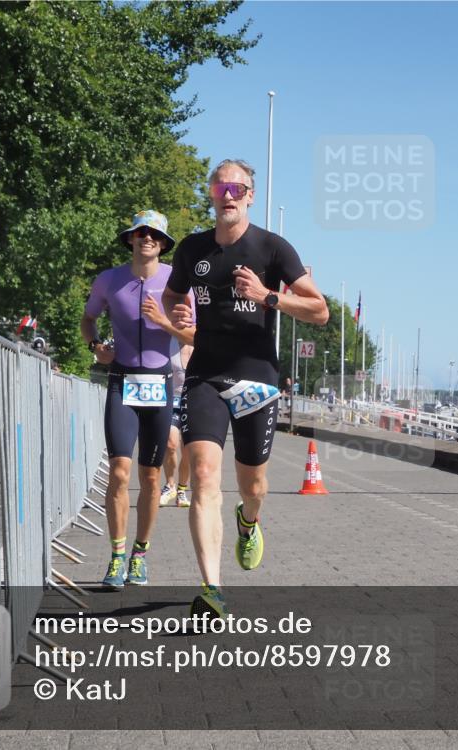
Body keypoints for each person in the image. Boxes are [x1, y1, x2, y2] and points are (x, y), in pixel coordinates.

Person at [162, 159, 328, 618]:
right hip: (205, 373)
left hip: (256, 376)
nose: (228, 195)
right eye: (221, 187)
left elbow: (319, 311)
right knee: (203, 474)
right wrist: (177, 311)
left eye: (237, 188)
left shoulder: (273, 248)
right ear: (211, 194)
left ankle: (249, 520)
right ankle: (211, 589)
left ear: (251, 196)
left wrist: (268, 296)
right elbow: (172, 296)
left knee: (252, 484)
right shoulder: (193, 249)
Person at [82, 210, 195, 589]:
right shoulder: (109, 280)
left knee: (150, 476)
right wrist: (96, 346)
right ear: (130, 238)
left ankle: (140, 554)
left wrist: (163, 321)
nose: (147, 238)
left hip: (159, 384)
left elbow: (195, 336)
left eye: (154, 234)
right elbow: (88, 319)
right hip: (122, 380)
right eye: (140, 232)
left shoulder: (177, 284)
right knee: (118, 471)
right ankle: (116, 555)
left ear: (163, 244)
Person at [159, 323, 194, 508]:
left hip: (194, 400)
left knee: (187, 450)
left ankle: (182, 489)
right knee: (170, 444)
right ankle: (170, 484)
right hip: (173, 399)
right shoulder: (169, 340)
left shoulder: (200, 340)